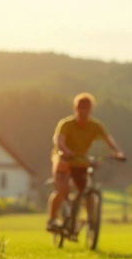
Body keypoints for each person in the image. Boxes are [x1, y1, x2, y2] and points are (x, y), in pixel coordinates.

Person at [48, 93, 125, 231]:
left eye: (86, 108)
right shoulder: (66, 124)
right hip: (63, 161)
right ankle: (52, 220)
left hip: (80, 162)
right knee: (63, 189)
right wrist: (66, 151)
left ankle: (91, 222)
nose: (83, 111)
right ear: (75, 108)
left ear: (91, 109)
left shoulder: (95, 126)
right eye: (80, 107)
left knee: (87, 191)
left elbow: (108, 140)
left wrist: (117, 152)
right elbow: (58, 141)